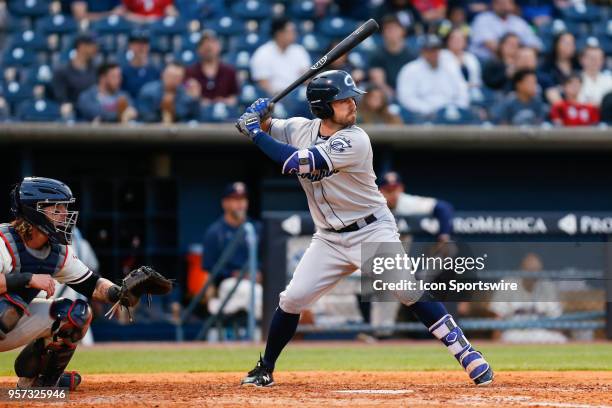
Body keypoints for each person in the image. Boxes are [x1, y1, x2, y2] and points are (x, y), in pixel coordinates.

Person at [235, 70, 493, 387]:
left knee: (407, 290)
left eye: (351, 97)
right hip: (328, 238)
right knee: (291, 300)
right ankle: (265, 368)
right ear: (323, 107)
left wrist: (255, 134)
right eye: (343, 100)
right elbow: (267, 126)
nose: (353, 104)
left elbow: (296, 162)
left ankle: (466, 352)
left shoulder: (355, 140)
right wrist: (258, 116)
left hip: (371, 230)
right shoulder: (300, 128)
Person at [0, 177, 165, 389]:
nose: (64, 214)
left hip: (13, 326)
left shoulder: (57, 251)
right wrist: (28, 278)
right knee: (7, 309)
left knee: (77, 313)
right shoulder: (4, 241)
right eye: (56, 208)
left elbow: (92, 284)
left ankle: (39, 382)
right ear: (34, 210)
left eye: (64, 207)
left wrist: (119, 293)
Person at [367, 170, 455, 335]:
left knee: (396, 291)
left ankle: (381, 337)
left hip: (398, 258)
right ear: (380, 191)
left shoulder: (407, 203)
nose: (392, 194)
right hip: (370, 254)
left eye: (395, 189)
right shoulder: (372, 203)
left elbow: (444, 208)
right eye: (388, 190)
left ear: (401, 188)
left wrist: (444, 235)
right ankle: (373, 334)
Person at [489, 253, 567, 343]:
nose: (533, 275)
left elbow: (555, 320)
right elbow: (498, 318)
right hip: (514, 332)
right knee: (507, 338)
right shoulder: (507, 284)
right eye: (529, 271)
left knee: (560, 339)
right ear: (521, 270)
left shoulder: (548, 287)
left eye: (536, 271)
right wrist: (495, 344)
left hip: (540, 333)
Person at [202, 182, 261, 287]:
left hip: (257, 283)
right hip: (228, 285)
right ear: (225, 203)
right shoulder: (215, 232)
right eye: (235, 199)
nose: (240, 203)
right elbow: (209, 271)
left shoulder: (257, 228)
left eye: (243, 198)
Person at [396, 35, 469, 119]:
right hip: (423, 115)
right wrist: (428, 109)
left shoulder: (450, 67)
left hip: (450, 112)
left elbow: (462, 91)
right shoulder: (410, 70)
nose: (433, 53)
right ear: (422, 51)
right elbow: (406, 98)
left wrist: (456, 108)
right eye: (429, 50)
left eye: (436, 50)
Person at [250, 17, 311, 96]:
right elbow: (263, 84)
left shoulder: (299, 50)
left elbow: (306, 78)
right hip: (274, 97)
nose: (294, 34)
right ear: (279, 33)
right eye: (290, 32)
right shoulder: (262, 53)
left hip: (298, 97)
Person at [470, 0, 542, 60]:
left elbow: (535, 45)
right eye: (501, 3)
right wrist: (517, 53)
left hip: (516, 61)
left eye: (508, 3)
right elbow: (492, 45)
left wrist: (524, 54)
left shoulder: (519, 21)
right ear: (494, 4)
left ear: (513, 5)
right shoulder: (483, 19)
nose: (505, 6)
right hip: (488, 61)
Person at [184, 30, 238, 106]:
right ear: (198, 49)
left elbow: (235, 97)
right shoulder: (190, 72)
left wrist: (223, 102)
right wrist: (197, 98)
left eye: (212, 42)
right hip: (199, 114)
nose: (208, 46)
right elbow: (187, 91)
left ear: (219, 46)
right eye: (203, 43)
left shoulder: (230, 71)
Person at [368, 15, 416, 99]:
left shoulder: (412, 55)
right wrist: (394, 97)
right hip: (388, 97)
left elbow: (417, 80)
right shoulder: (377, 55)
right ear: (383, 32)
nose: (391, 32)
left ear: (403, 31)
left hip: (410, 95)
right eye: (388, 29)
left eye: (395, 28)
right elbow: (379, 83)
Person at [52, 33, 98, 106]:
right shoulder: (62, 71)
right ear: (82, 46)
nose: (96, 48)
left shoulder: (96, 69)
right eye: (92, 45)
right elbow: (61, 99)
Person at [539, 32, 580, 104]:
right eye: (566, 43)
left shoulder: (578, 67)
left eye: (572, 43)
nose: (570, 46)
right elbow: (550, 90)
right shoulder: (547, 68)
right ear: (556, 45)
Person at [121, 30, 161, 101]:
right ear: (130, 46)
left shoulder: (156, 71)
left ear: (149, 46)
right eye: (137, 43)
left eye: (144, 43)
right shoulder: (123, 71)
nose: (141, 47)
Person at [578, 43, 612, 107]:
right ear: (582, 59)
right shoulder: (575, 79)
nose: (595, 61)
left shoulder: (609, 79)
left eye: (599, 58)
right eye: (591, 58)